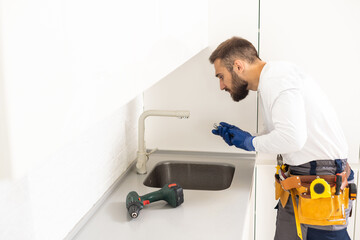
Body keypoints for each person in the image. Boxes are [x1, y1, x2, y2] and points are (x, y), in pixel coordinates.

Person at [209, 36, 355, 240]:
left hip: (318, 184)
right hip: (302, 182)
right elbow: (284, 134)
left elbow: (293, 139)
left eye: (221, 76)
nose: (221, 86)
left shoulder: (277, 80)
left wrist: (249, 142)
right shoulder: (274, 79)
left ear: (238, 66)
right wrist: (245, 138)